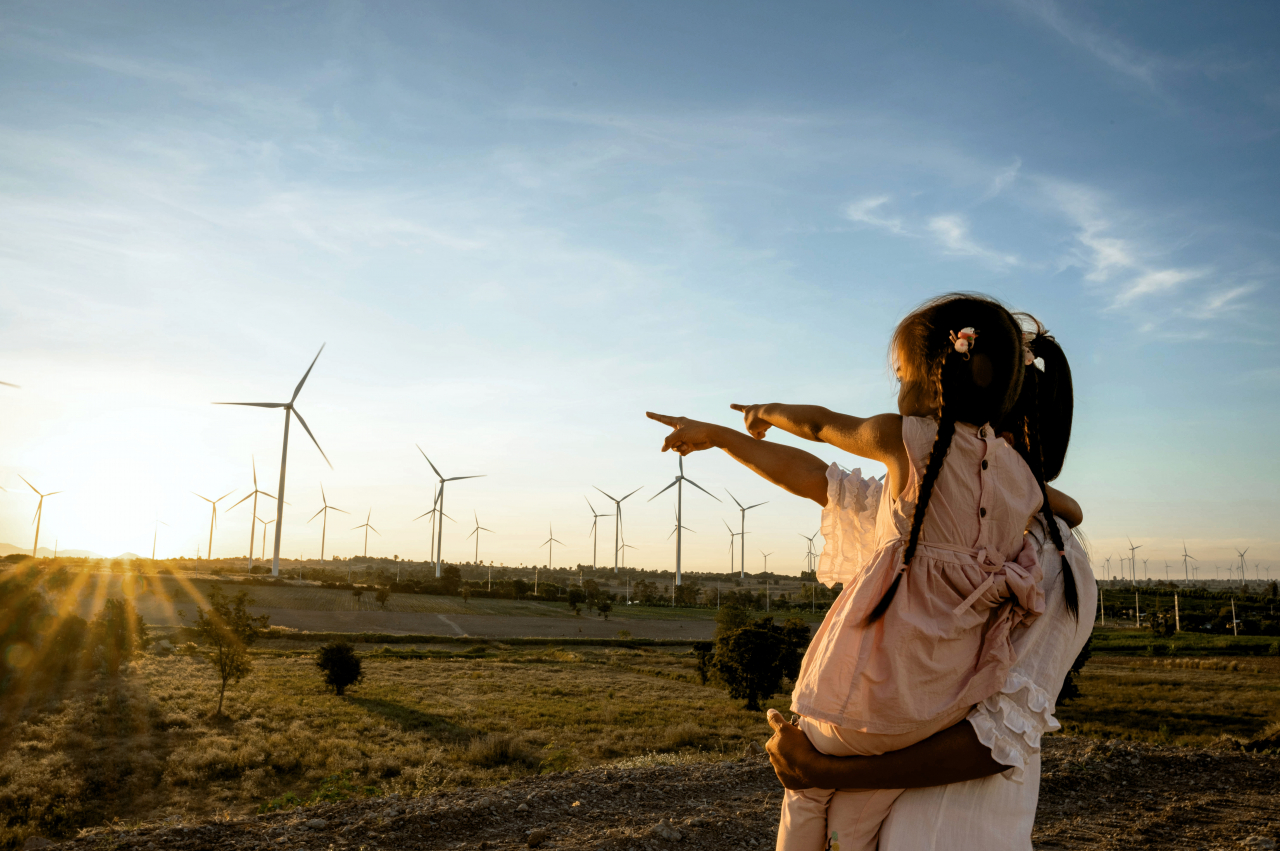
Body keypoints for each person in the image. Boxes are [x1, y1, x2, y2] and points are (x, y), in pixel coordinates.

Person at [648, 294, 1079, 851]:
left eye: (900, 373)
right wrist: (1028, 499)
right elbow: (1068, 509)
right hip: (935, 703)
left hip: (867, 696)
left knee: (805, 789)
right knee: (859, 810)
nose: (897, 388)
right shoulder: (1020, 484)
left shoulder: (906, 440)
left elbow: (820, 426)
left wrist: (764, 414)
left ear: (930, 376)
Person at [763, 316, 1096, 850]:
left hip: (957, 834)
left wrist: (822, 770)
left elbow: (996, 742)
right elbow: (828, 484)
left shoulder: (1053, 563)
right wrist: (727, 437)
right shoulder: (934, 518)